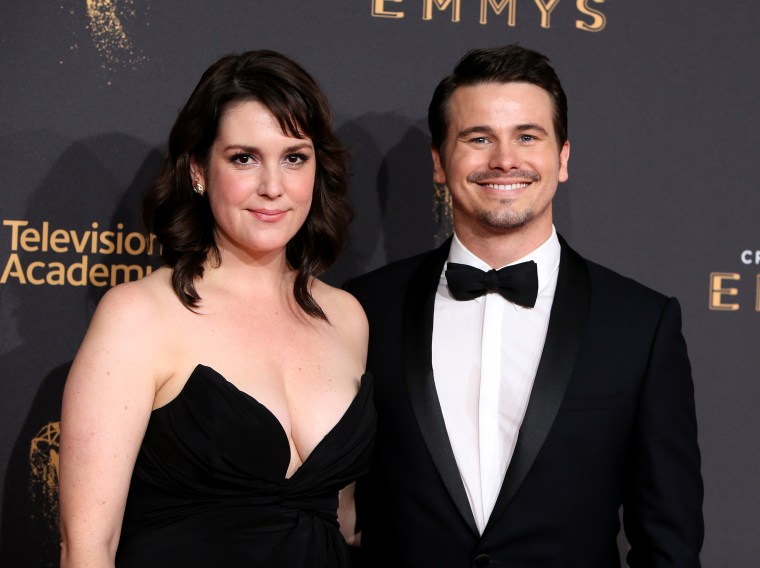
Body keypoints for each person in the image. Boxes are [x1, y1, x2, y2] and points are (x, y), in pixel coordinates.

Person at [345, 44, 703, 567]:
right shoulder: (365, 309)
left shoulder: (640, 324)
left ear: (561, 159)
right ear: (440, 163)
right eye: (478, 138)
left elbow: (668, 543)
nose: (504, 159)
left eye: (527, 136)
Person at [59, 50, 375, 568]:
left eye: (294, 157)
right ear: (198, 170)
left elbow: (343, 517)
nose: (273, 186)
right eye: (244, 158)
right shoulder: (140, 315)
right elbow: (88, 547)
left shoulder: (346, 318)